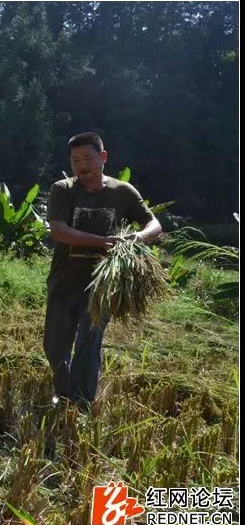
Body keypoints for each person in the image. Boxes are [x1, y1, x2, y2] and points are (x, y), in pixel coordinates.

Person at [44, 132, 162, 410]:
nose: (81, 165)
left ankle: (81, 401)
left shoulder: (122, 192)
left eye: (87, 158)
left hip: (102, 286)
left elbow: (154, 225)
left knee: (89, 343)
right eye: (75, 160)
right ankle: (63, 392)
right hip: (64, 281)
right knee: (55, 345)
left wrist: (138, 238)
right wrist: (103, 242)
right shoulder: (62, 189)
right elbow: (59, 232)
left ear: (103, 157)